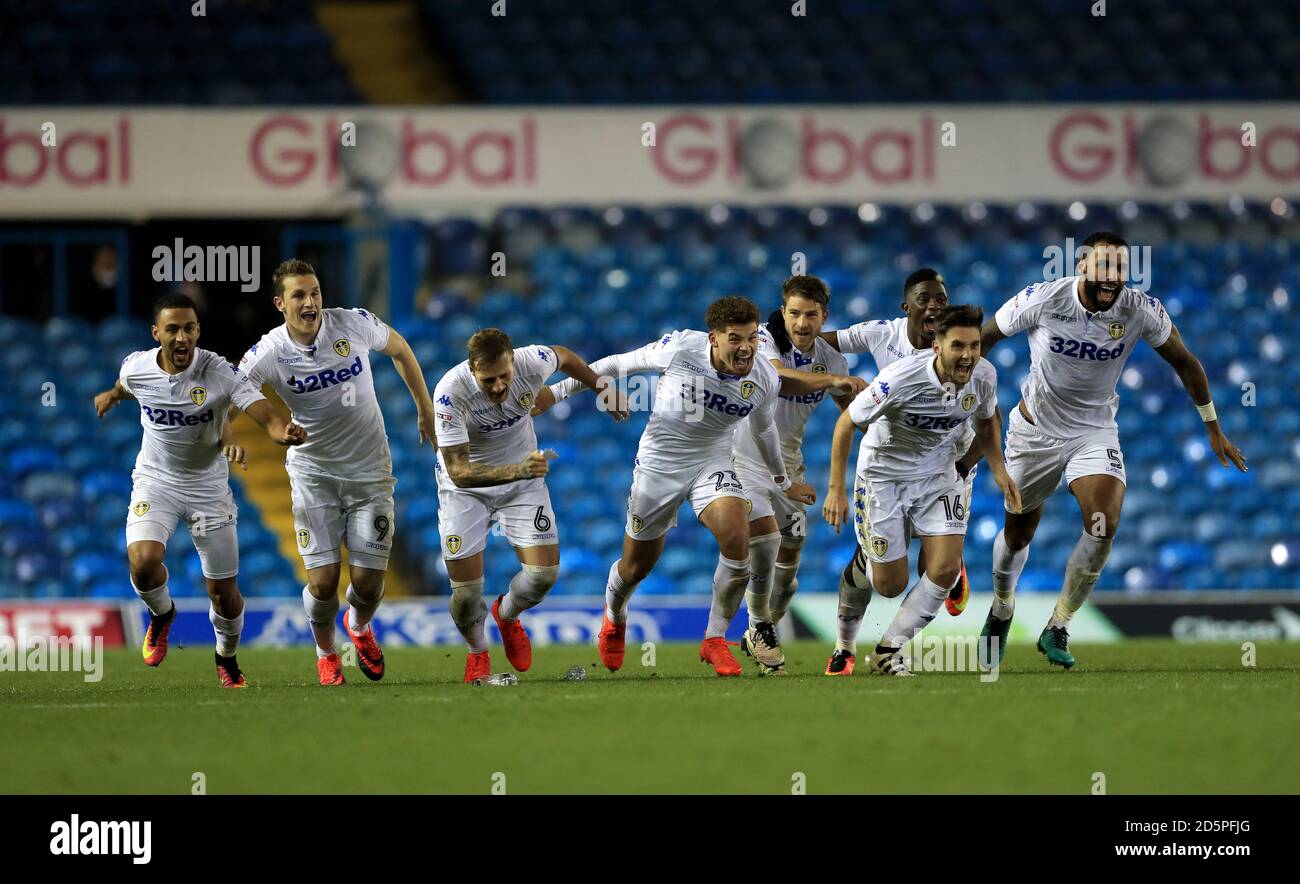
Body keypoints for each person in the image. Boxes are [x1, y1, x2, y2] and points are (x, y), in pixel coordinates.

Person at [94, 293, 306, 688]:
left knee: (223, 594)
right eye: (171, 329)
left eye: (188, 328)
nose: (180, 337)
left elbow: (265, 413)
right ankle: (161, 614)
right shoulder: (138, 367)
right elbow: (125, 386)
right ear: (156, 332)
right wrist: (110, 396)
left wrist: (283, 432)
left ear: (197, 331)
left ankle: (226, 658)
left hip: (208, 488)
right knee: (142, 561)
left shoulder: (220, 372)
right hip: (156, 480)